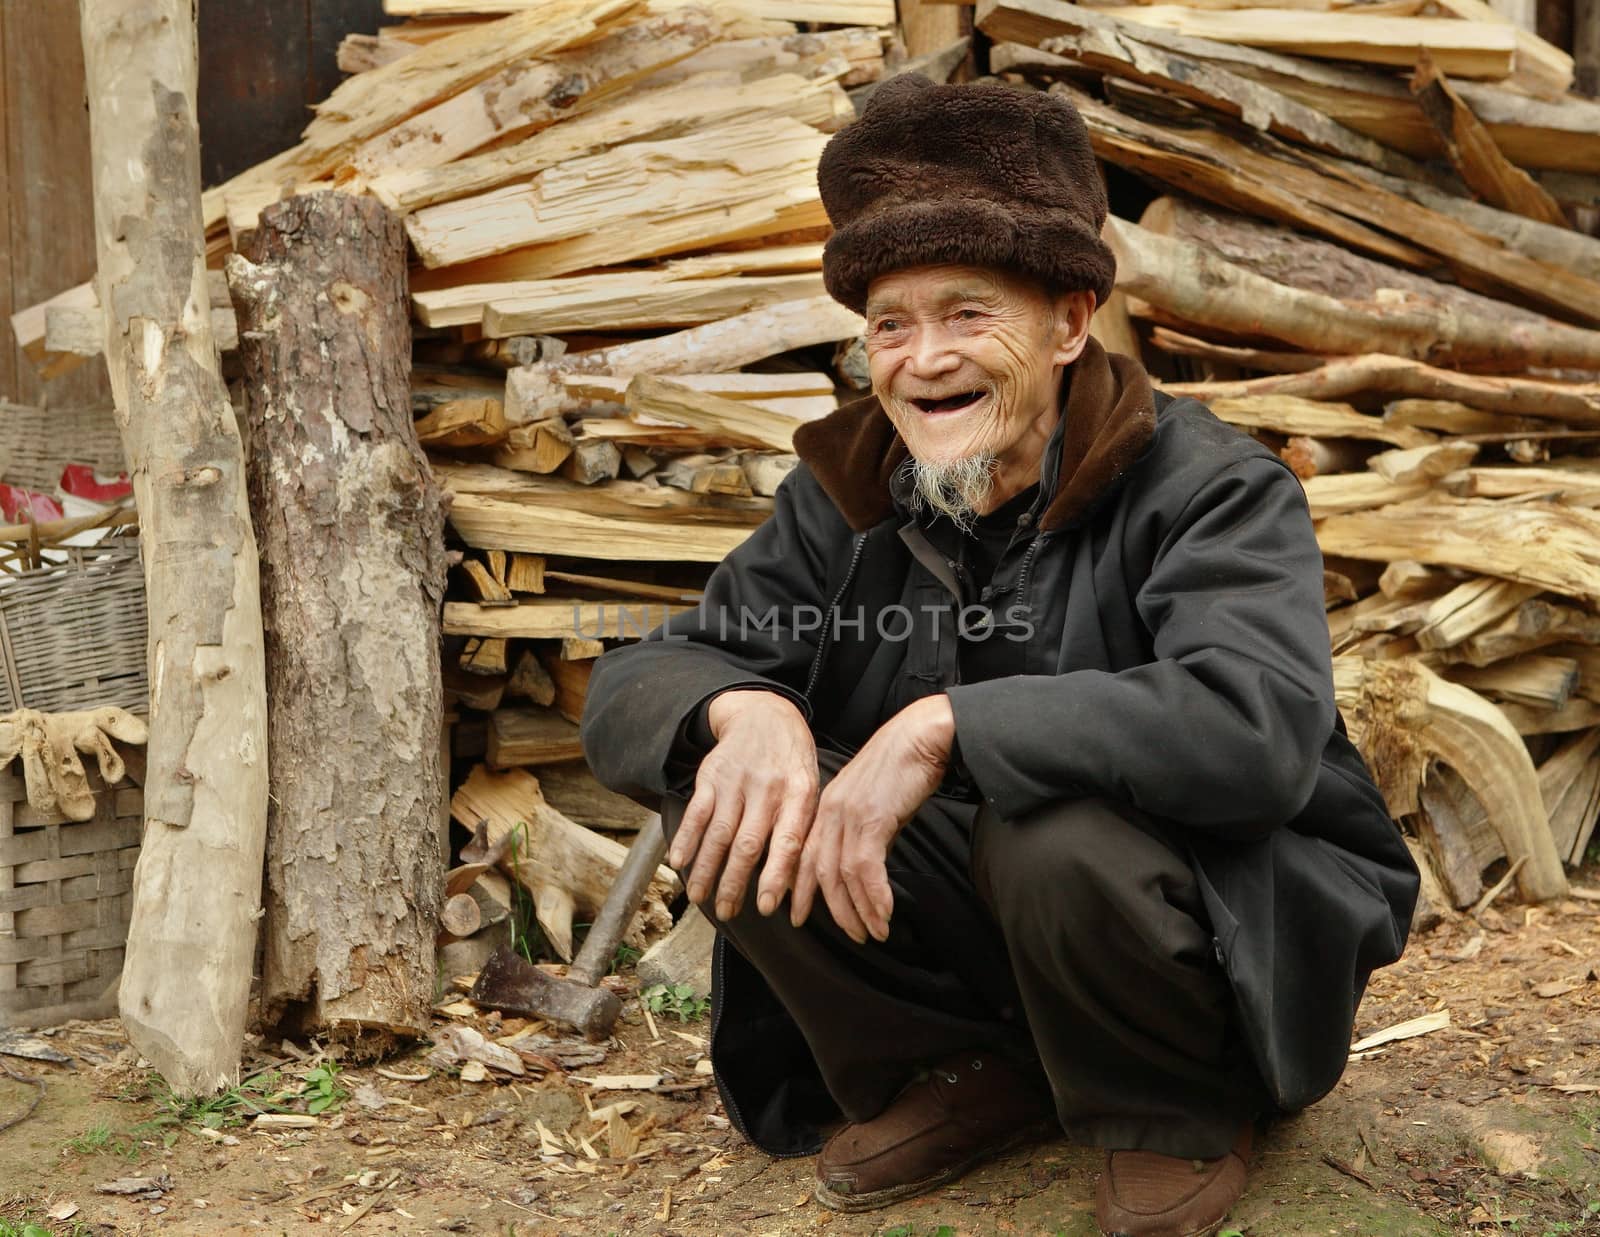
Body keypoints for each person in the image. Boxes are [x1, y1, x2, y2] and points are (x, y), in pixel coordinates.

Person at [580, 76, 1418, 1237]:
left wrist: (945, 727)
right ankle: (965, 1072)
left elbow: (1256, 726)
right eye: (889, 324)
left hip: (1223, 916)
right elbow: (639, 677)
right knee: (722, 774)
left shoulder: (1210, 488)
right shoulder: (848, 492)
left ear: (1069, 324)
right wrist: (740, 711)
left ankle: (1171, 1104)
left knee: (1052, 828)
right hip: (998, 921)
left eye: (968, 314)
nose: (923, 361)